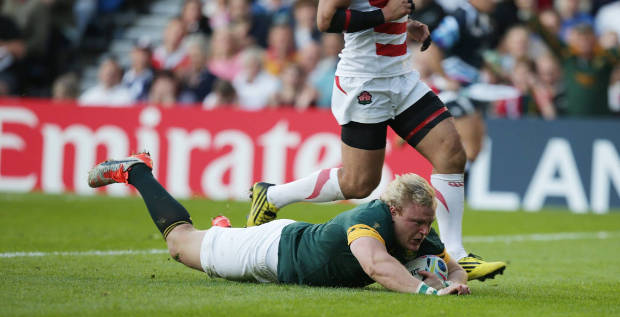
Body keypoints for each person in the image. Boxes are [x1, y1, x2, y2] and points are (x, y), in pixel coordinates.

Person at [244, 0, 507, 282]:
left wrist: (401, 26)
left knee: (452, 154)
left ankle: (456, 252)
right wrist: (386, 15)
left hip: (400, 78)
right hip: (364, 82)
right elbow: (325, 20)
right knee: (359, 183)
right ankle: (271, 196)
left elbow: (373, 16)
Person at [87, 152, 471, 295]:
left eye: (427, 222)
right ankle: (137, 172)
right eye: (418, 222)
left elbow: (454, 266)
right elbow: (375, 265)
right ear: (393, 210)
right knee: (179, 244)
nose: (424, 231)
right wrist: (427, 293)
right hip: (271, 252)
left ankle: (224, 231)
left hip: (286, 248)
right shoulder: (369, 216)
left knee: (206, 245)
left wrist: (454, 283)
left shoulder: (419, 230)